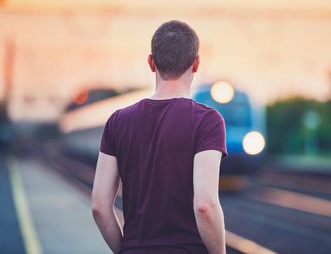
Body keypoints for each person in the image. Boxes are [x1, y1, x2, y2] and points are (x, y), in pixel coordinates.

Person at [91, 20, 228, 254]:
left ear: (151, 62)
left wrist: (125, 250)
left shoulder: (117, 121)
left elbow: (99, 207)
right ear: (196, 64)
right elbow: (205, 206)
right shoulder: (208, 120)